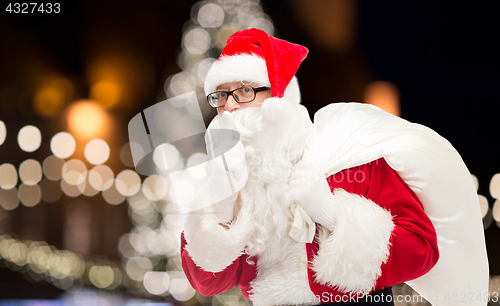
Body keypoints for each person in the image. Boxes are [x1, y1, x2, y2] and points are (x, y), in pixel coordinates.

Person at [180, 28, 488, 305]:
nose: (230, 106)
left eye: (245, 91)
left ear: (279, 98)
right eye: (221, 95)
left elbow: (420, 251)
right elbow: (207, 282)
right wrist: (220, 201)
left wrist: (332, 213)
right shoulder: (235, 178)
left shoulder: (350, 155)